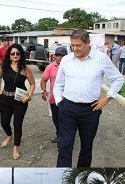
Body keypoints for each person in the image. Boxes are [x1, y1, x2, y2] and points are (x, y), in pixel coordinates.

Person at [53, 29, 123, 167]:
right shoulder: (66, 60)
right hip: (67, 108)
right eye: (72, 45)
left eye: (78, 45)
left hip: (91, 110)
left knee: (86, 147)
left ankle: (81, 179)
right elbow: (58, 84)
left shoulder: (101, 59)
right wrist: (59, 102)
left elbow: (118, 79)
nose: (75, 48)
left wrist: (107, 98)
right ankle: (61, 180)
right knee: (64, 146)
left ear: (88, 43)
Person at [0, 43, 36, 160]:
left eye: (17, 53)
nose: (15, 55)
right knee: (4, 122)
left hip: (20, 100)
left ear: (21, 55)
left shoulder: (25, 68)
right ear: (9, 55)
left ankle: (16, 148)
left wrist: (29, 96)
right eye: (13, 53)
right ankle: (9, 136)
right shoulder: (4, 66)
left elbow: (33, 83)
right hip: (5, 98)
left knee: (17, 124)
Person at [40, 46, 68, 144]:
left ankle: (63, 139)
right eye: (58, 55)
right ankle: (60, 136)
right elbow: (43, 80)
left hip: (68, 100)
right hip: (54, 99)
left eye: (62, 56)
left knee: (66, 120)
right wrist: (44, 91)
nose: (60, 58)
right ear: (55, 56)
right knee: (56, 120)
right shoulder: (50, 67)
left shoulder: (71, 67)